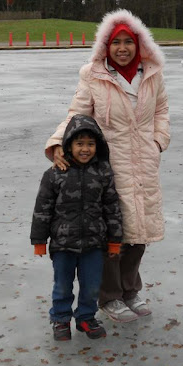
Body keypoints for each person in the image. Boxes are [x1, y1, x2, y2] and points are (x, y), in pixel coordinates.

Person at [45, 9, 170, 323]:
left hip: (144, 162)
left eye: (128, 42)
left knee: (140, 234)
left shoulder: (152, 73)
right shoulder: (93, 75)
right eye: (116, 42)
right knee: (114, 232)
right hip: (109, 165)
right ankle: (110, 296)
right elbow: (77, 113)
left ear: (139, 44)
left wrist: (158, 141)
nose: (122, 48)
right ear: (106, 45)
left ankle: (130, 289)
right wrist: (58, 142)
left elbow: (162, 111)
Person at [31, 114, 123, 341]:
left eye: (90, 144)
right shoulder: (55, 174)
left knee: (91, 285)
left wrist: (114, 241)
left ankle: (86, 317)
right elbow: (42, 208)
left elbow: (112, 207)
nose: (85, 149)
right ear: (68, 146)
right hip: (63, 244)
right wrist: (39, 241)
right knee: (62, 285)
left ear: (97, 146)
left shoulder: (103, 172)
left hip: (94, 243)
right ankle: (61, 319)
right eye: (79, 143)